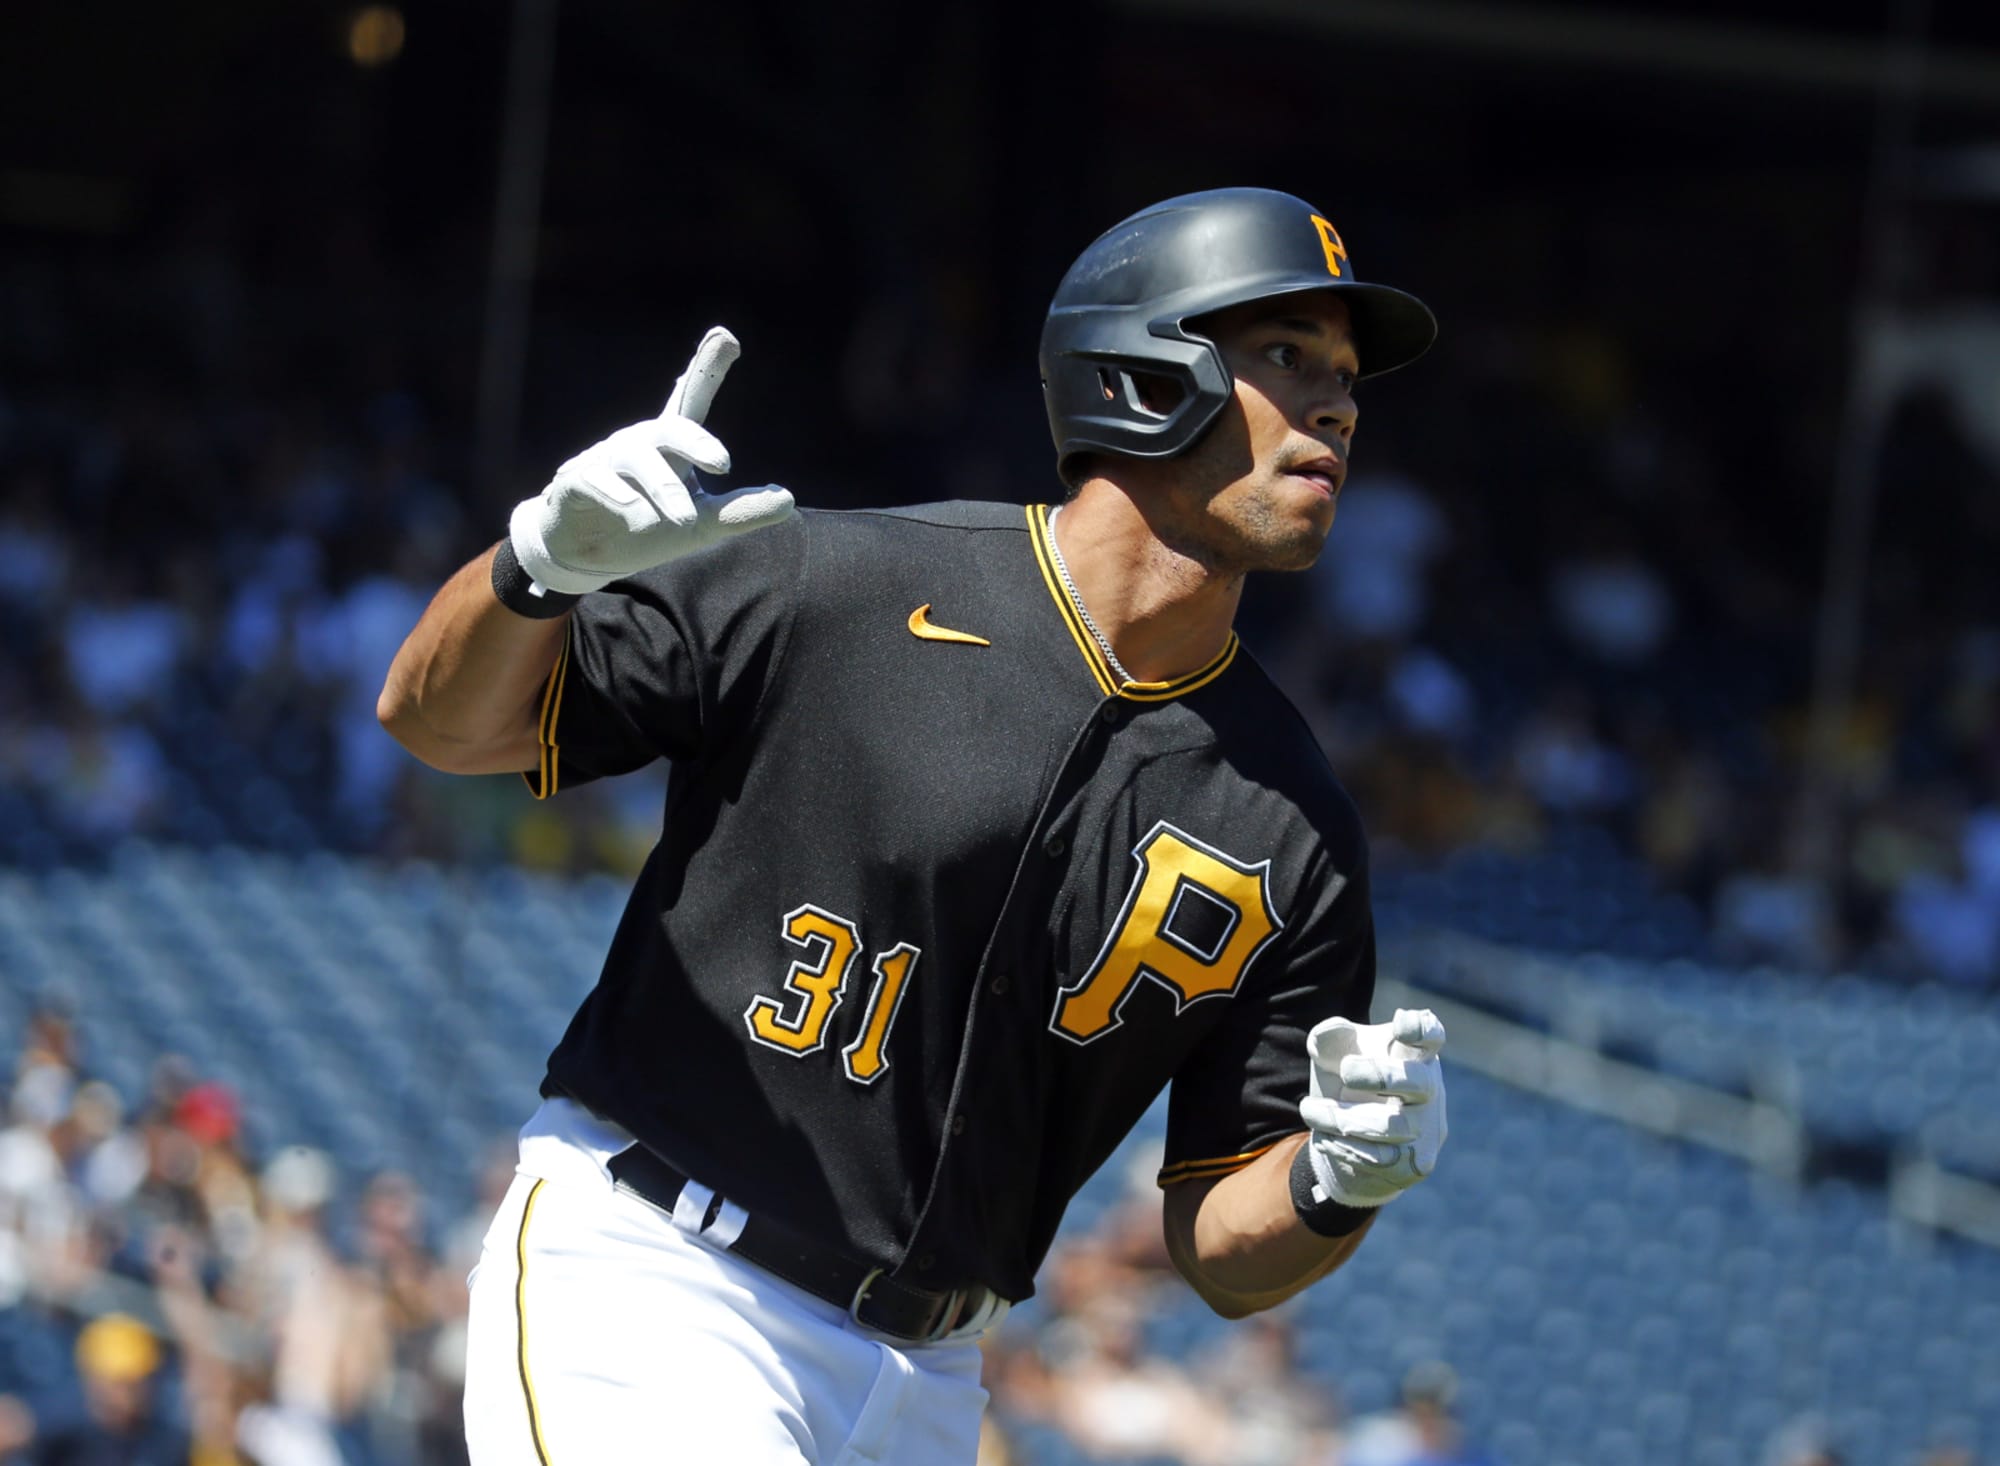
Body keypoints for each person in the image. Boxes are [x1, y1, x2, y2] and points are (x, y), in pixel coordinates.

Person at [379, 186, 1451, 1464]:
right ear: (1141, 369)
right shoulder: (843, 582)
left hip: (931, 1381)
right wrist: (535, 569)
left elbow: (1220, 1241)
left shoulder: (1294, 818)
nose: (1336, 405)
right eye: (1285, 354)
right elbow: (440, 723)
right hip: (667, 1282)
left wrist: (1335, 1176)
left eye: (1345, 377)